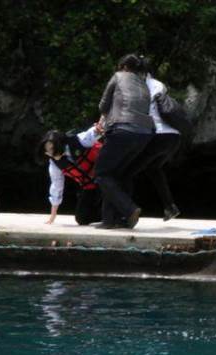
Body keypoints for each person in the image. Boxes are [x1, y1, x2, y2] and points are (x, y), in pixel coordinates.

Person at [95, 53, 154, 229]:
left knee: (101, 173)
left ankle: (129, 209)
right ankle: (111, 220)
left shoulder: (118, 76)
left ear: (124, 67)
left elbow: (103, 106)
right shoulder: (144, 84)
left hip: (122, 129)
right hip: (144, 134)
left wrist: (103, 119)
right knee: (118, 175)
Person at [123, 68, 181, 221]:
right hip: (174, 137)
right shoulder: (157, 84)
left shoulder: (140, 87)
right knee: (153, 168)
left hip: (159, 136)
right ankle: (169, 206)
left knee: (127, 172)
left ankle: (127, 212)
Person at [38, 126, 103, 225]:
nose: (51, 154)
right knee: (81, 219)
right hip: (90, 185)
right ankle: (108, 216)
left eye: (52, 149)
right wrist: (53, 216)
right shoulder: (54, 164)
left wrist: (99, 128)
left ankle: (115, 214)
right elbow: (56, 187)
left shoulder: (79, 140)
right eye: (48, 151)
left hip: (107, 177)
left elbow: (94, 132)